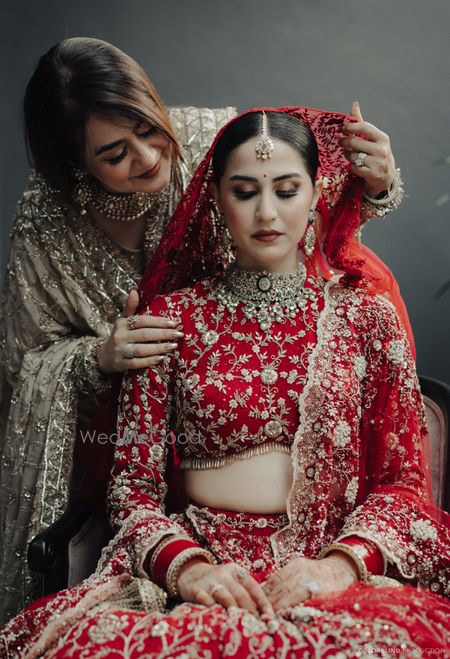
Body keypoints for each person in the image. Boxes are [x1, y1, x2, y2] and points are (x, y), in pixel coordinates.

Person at [1, 107, 448, 657]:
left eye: (287, 190)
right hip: (205, 568)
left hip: (329, 566)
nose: (266, 213)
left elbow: (403, 484)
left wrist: (338, 566)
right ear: (215, 199)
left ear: (315, 194)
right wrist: (187, 570)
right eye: (244, 192)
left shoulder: (366, 320)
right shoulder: (171, 321)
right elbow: (132, 490)